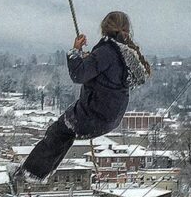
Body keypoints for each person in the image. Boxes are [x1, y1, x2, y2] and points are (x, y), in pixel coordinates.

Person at [15, 11, 151, 182]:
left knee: (59, 132)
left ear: (104, 28)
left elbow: (78, 75)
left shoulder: (106, 52)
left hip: (93, 115)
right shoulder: (126, 54)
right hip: (111, 118)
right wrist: (89, 60)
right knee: (65, 133)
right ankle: (35, 173)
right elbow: (108, 76)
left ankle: (31, 173)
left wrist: (75, 51)